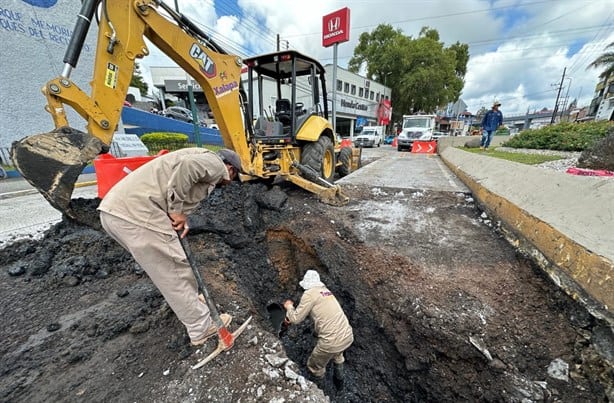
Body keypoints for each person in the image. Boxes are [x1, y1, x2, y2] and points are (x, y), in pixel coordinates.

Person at [98, 147, 243, 346]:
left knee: (170, 266)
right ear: (231, 169)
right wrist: (176, 210)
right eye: (231, 178)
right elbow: (188, 168)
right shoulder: (215, 163)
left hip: (117, 213)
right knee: (173, 270)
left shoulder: (196, 156)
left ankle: (192, 305)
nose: (226, 184)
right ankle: (201, 327)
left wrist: (180, 216)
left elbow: (177, 186)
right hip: (137, 214)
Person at [284, 270, 353, 384]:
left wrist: (289, 307)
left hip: (331, 341)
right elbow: (323, 318)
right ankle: (340, 382)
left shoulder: (310, 294)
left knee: (314, 366)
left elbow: (295, 319)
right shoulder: (326, 291)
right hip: (347, 335)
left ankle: (320, 391)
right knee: (338, 354)